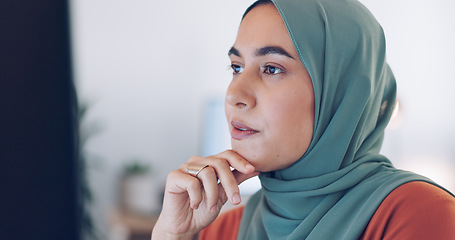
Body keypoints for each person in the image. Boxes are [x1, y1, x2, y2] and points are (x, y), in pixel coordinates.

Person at [151, 0, 455, 239]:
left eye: (271, 68)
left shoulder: (420, 216)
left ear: (341, 92)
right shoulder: (222, 228)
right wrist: (171, 236)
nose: (234, 95)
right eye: (236, 67)